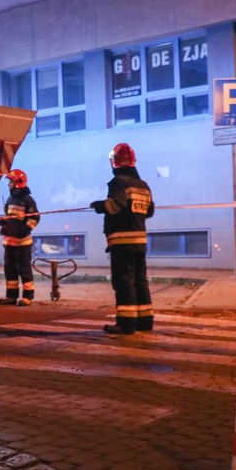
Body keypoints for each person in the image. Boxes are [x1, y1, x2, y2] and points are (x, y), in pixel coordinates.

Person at [90, 142, 155, 335]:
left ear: (115, 162)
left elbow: (114, 206)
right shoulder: (143, 185)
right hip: (140, 241)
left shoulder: (118, 182)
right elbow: (149, 211)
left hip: (122, 241)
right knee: (140, 281)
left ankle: (126, 323)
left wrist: (98, 206)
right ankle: (145, 321)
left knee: (124, 281)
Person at [0, 169, 40, 306]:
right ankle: (11, 296)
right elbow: (11, 217)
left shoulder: (27, 200)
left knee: (24, 270)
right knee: (10, 271)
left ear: (18, 183)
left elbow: (35, 218)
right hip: (9, 243)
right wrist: (4, 223)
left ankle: (28, 297)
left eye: (11, 181)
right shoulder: (10, 199)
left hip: (22, 243)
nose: (9, 184)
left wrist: (25, 229)